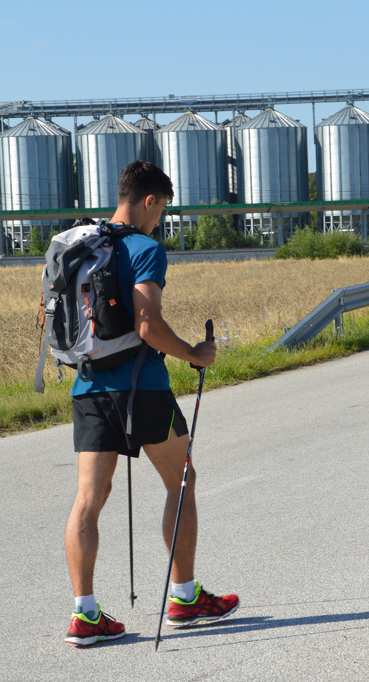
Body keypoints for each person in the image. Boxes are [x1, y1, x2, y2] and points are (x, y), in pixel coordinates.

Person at [63, 160, 238, 648]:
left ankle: (85, 615)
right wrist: (194, 354)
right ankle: (184, 597)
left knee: (89, 499)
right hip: (143, 386)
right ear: (149, 200)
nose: (160, 219)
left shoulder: (82, 245)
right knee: (182, 480)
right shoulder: (145, 249)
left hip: (88, 387)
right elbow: (148, 325)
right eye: (161, 209)